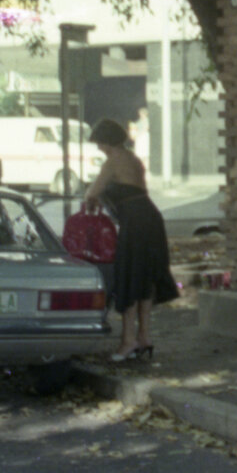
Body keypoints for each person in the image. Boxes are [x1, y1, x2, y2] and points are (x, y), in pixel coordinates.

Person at [83, 117, 177, 361]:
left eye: (99, 143)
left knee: (129, 279)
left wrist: (91, 199)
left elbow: (92, 191)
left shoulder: (113, 161)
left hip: (134, 223)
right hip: (151, 219)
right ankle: (144, 338)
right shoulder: (132, 158)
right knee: (144, 280)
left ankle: (128, 341)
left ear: (107, 141)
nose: (98, 148)